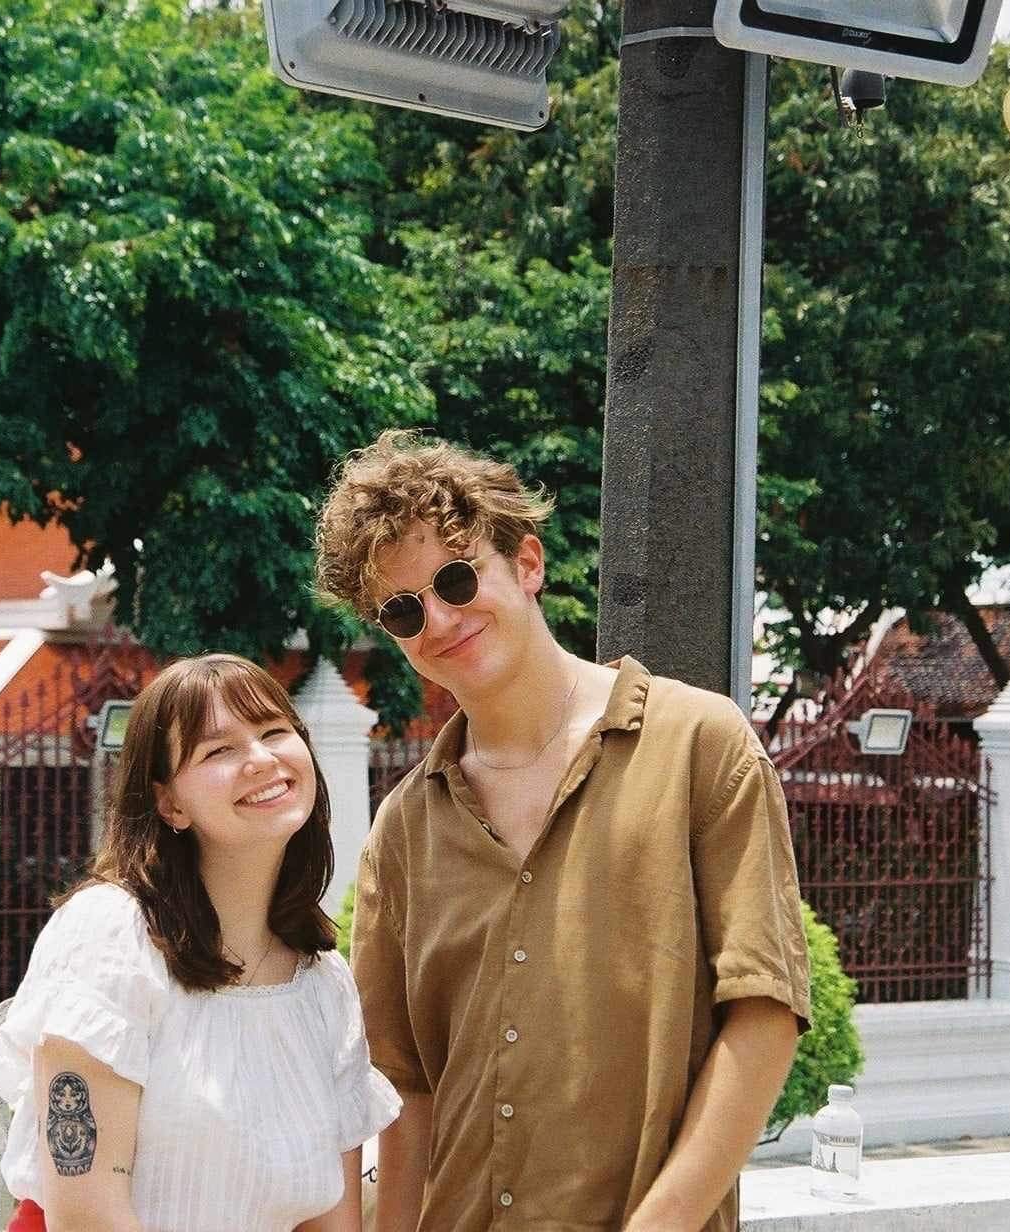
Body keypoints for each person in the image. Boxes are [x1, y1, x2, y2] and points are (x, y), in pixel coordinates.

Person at [314, 432, 812, 1232]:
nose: (439, 618)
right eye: (404, 610)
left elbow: (765, 1012)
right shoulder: (404, 829)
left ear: (529, 564)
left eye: (456, 576)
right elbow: (401, 1087)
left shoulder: (697, 746)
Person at [0, 654, 400, 1232]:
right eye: (219, 750)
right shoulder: (110, 935)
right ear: (169, 802)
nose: (261, 759)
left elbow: (332, 1223)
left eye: (275, 732)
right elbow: (88, 1214)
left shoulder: (325, 987)